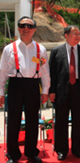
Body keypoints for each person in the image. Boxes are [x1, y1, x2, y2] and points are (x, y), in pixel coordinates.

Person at [0, 16, 50, 163]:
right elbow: (2, 71)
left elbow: (45, 71)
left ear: (34, 29)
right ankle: (13, 155)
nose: (26, 29)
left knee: (33, 121)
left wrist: (45, 90)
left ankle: (31, 153)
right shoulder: (9, 49)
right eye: (23, 26)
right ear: (18, 29)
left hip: (33, 86)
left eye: (29, 26)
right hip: (15, 85)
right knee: (13, 121)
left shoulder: (41, 49)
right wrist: (1, 92)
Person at [48, 25, 80, 160]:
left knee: (78, 122)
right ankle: (61, 150)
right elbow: (52, 73)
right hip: (62, 91)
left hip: (79, 91)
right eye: (75, 34)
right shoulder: (56, 51)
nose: (78, 36)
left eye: (79, 34)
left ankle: (77, 149)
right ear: (66, 35)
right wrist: (51, 91)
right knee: (61, 122)